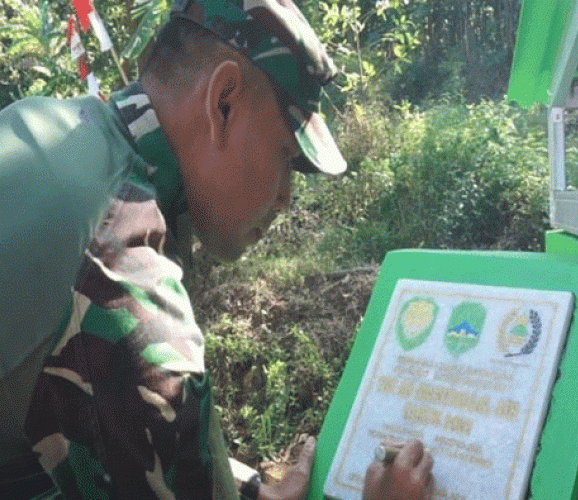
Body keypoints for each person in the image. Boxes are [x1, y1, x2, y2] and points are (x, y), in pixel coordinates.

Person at [0, 0, 435, 498]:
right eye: (286, 157)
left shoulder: (47, 128)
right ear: (223, 102)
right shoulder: (122, 286)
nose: (287, 199)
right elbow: (140, 384)